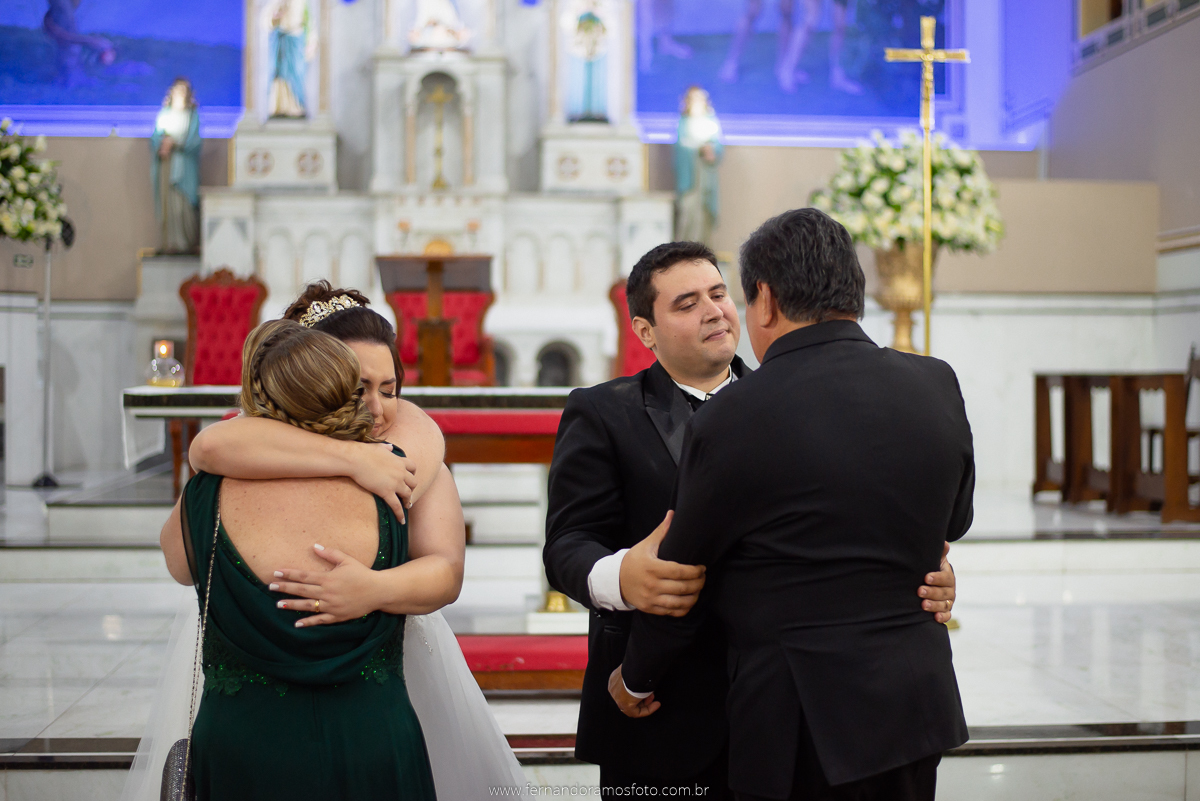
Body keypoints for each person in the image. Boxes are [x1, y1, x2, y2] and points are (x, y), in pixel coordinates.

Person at [544, 240, 957, 799]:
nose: (714, 310)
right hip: (660, 707)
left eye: (719, 294)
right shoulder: (601, 411)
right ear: (645, 331)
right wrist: (621, 577)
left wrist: (921, 566)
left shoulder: (797, 399)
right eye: (687, 304)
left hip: (786, 710)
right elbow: (567, 542)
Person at [123, 284, 529, 801]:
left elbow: (445, 570)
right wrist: (351, 459)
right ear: (311, 377)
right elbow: (211, 449)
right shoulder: (235, 455)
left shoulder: (407, 459)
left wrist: (373, 587)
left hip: (348, 705)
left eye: (390, 388)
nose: (379, 408)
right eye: (358, 387)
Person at [159, 320, 437, 800]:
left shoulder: (207, 488)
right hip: (371, 743)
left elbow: (179, 565)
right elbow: (446, 573)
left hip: (243, 749)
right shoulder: (394, 473)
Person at [150, 78, 201, 255]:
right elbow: (155, 137)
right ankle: (170, 242)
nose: (180, 93)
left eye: (183, 90)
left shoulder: (191, 116)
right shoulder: (165, 114)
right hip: (167, 166)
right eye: (177, 90)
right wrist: (162, 145)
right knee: (168, 205)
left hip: (184, 169)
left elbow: (195, 142)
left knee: (183, 206)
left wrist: (175, 144)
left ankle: (184, 243)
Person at [674, 87, 723, 245]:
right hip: (691, 181)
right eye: (693, 99)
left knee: (704, 218)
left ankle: (702, 252)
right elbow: (681, 148)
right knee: (689, 215)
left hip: (705, 180)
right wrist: (698, 148)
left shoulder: (711, 122)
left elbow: (718, 147)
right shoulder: (684, 123)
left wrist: (711, 151)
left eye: (700, 99)